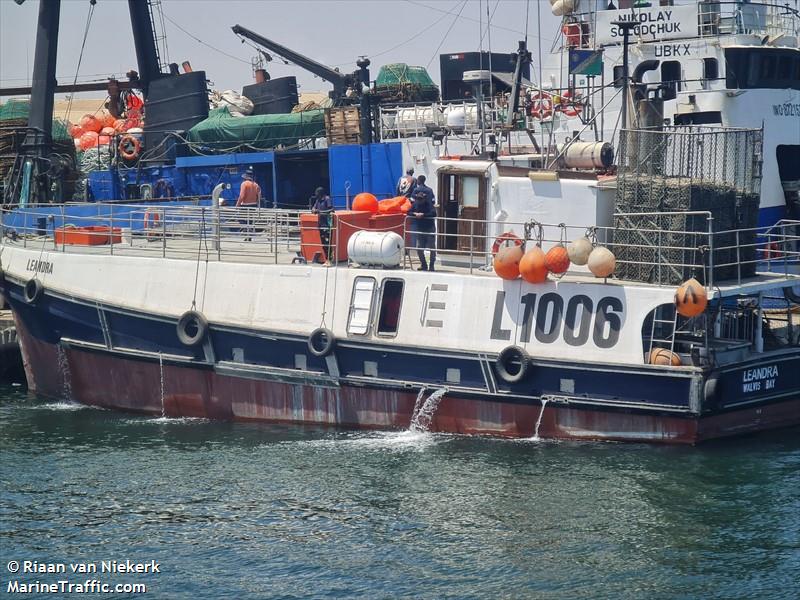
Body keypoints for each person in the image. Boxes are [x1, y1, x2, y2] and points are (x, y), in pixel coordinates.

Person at [408, 175, 437, 271]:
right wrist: (415, 214)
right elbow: (409, 211)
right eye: (418, 199)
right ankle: (424, 264)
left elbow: (433, 213)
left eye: (421, 199)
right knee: (419, 248)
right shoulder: (429, 191)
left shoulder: (427, 204)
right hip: (420, 228)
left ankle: (431, 265)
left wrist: (423, 214)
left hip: (429, 228)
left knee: (432, 247)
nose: (419, 201)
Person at [311, 187, 334, 266]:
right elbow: (314, 208)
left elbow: (331, 210)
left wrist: (320, 212)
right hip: (320, 224)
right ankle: (326, 260)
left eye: (317, 193)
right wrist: (314, 210)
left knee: (328, 243)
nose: (315, 194)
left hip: (327, 225)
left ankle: (329, 260)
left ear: (320, 193)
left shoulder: (327, 199)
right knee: (323, 243)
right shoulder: (318, 200)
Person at [236, 167, 261, 241]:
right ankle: (248, 235)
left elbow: (242, 195)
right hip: (254, 205)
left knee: (241, 219)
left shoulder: (244, 184)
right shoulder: (256, 185)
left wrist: (237, 205)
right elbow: (259, 195)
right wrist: (258, 204)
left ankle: (246, 233)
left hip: (245, 205)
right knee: (249, 221)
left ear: (245, 177)